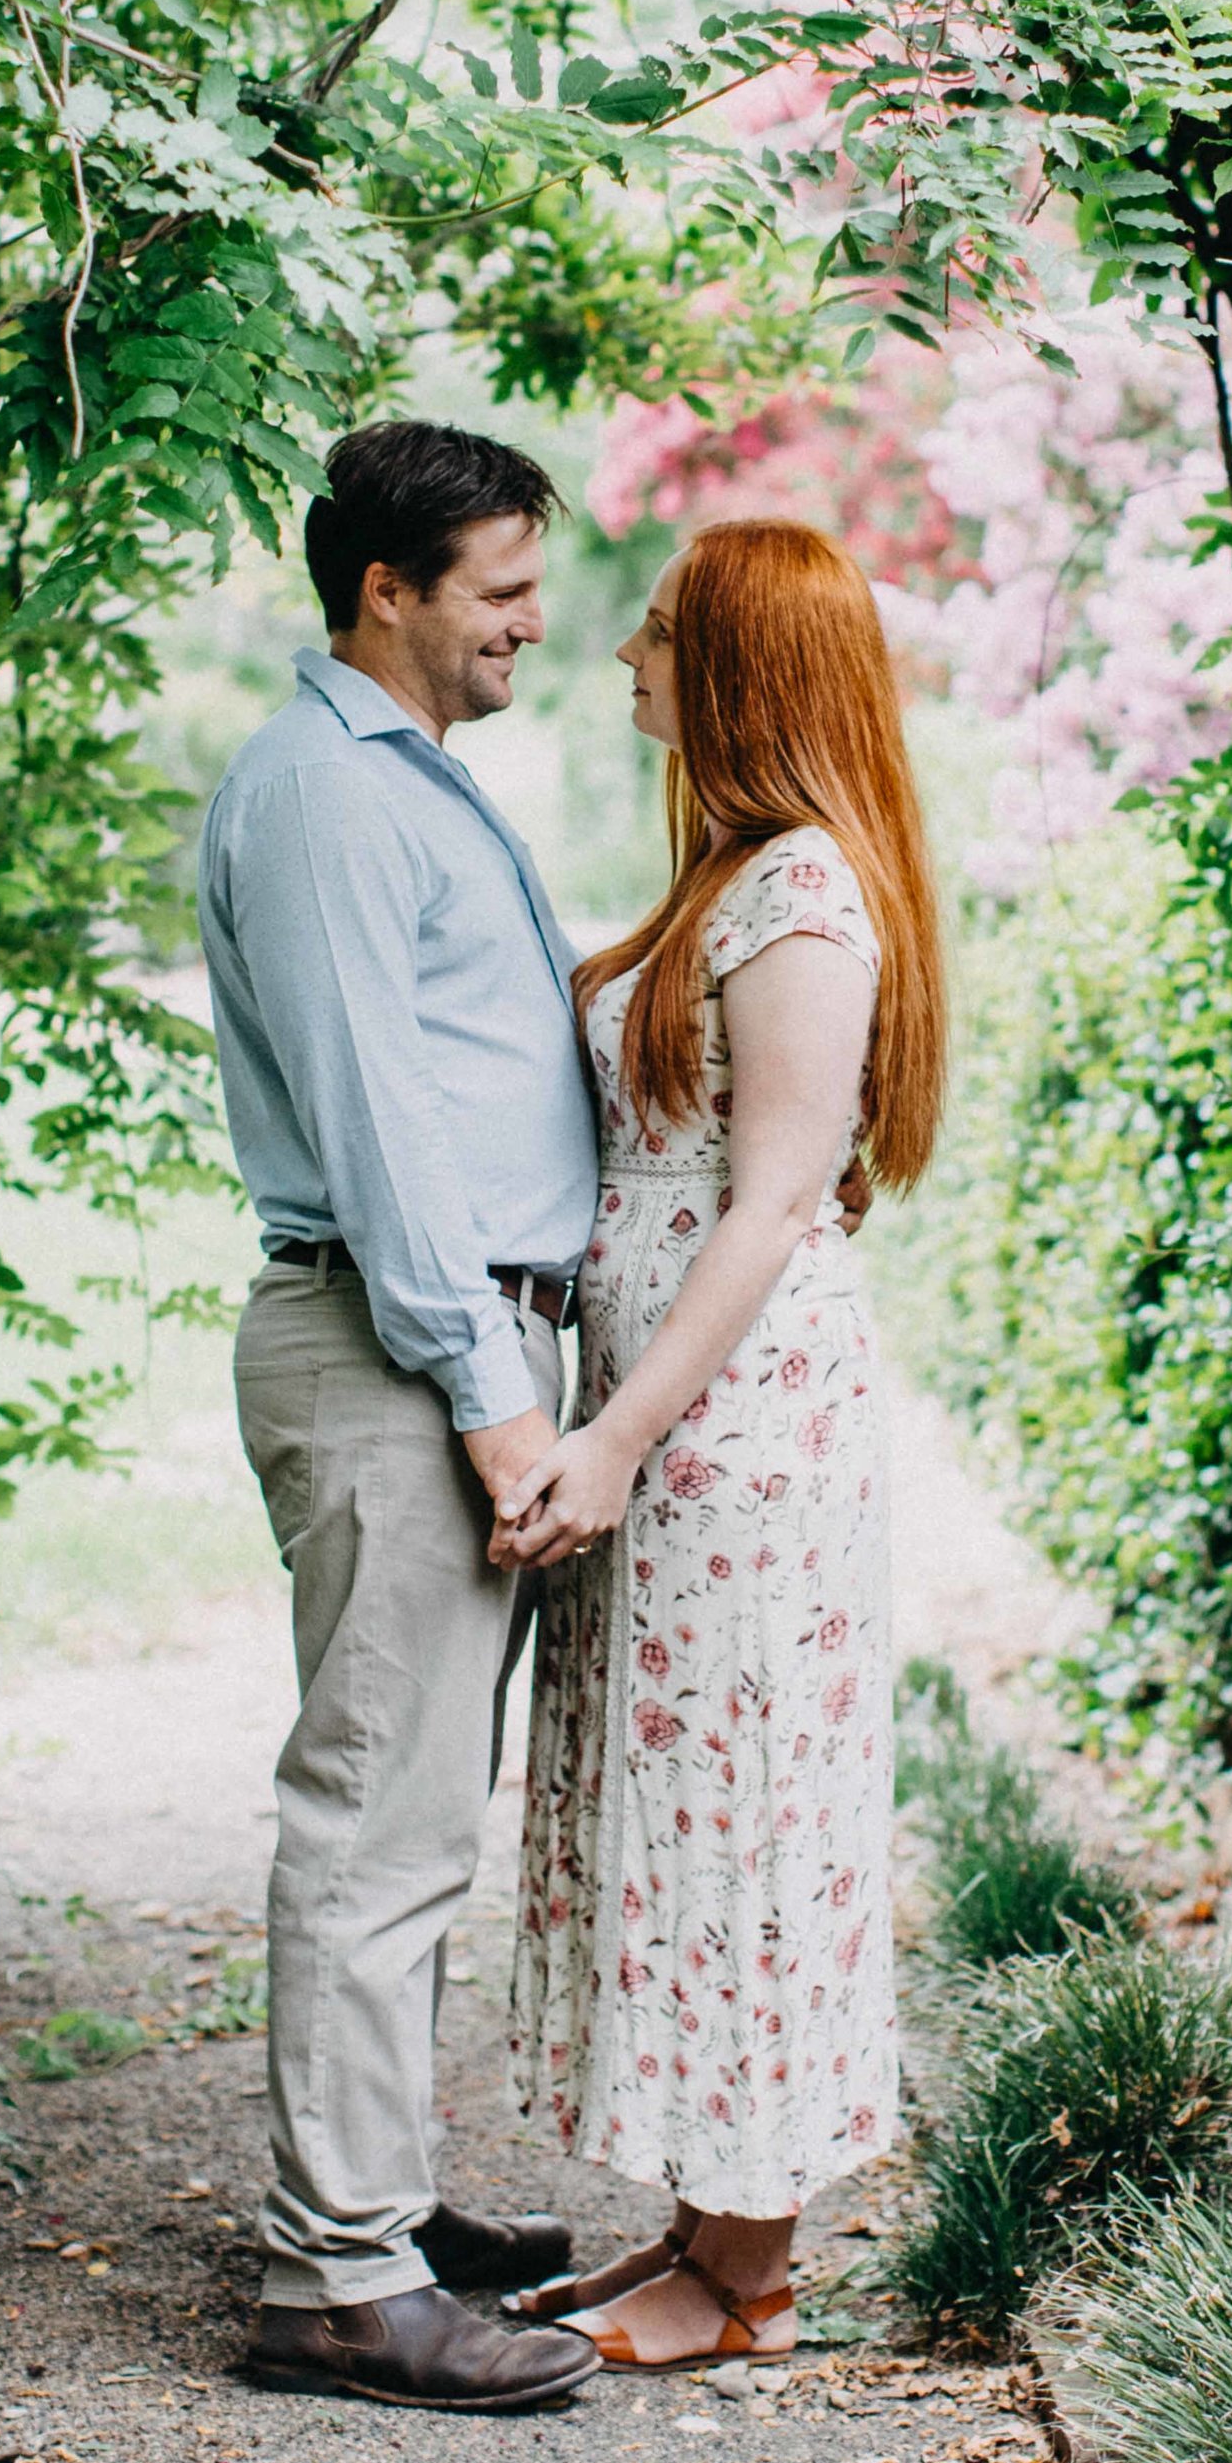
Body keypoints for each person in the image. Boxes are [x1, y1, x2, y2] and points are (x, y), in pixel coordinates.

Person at [494, 517, 947, 2368]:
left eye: (665, 631)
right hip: (685, 1427)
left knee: (745, 1817)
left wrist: (610, 1437)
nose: (624, 654)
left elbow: (767, 1208)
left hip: (741, 1434)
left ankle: (745, 2272)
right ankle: (696, 2223)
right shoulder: (736, 878)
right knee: (678, 1816)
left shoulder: (808, 895)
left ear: (745, 664)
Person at [197, 422, 604, 2413]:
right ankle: (333, 2280)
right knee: (374, 1814)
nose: (535, 623)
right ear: (388, 590)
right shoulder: (329, 801)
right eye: (501, 591)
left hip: (423, 1343)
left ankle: (378, 2201)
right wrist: (489, 1397)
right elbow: (378, 1128)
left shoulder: (402, 785)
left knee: (419, 1811)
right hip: (389, 1347)